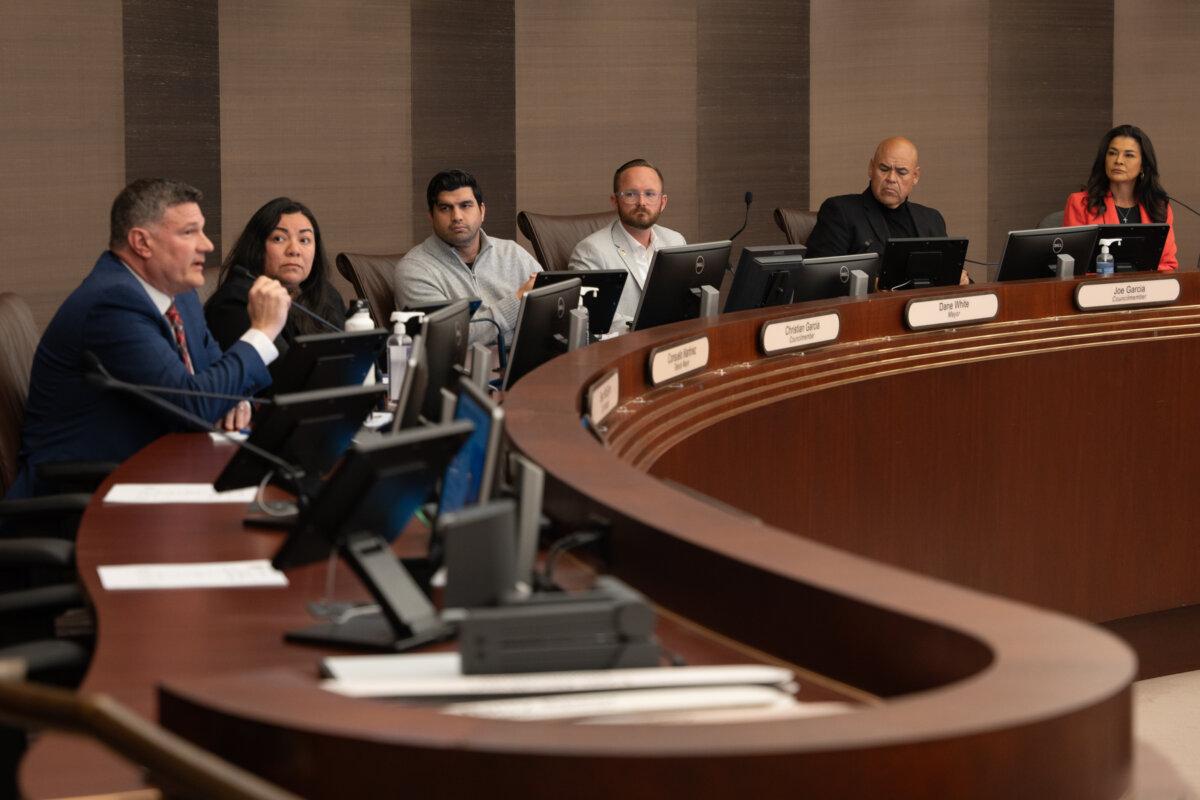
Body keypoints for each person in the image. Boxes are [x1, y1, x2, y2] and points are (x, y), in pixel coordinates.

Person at [8, 178, 290, 498]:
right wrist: (262, 332)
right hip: (84, 491)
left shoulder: (180, 294)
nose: (207, 245)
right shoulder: (112, 304)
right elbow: (192, 406)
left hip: (158, 469)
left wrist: (234, 398)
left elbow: (212, 369)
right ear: (142, 242)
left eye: (202, 230)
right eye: (189, 232)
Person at [395, 170, 540, 346]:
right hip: (468, 364)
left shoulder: (512, 253)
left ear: (482, 211)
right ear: (431, 217)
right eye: (445, 208)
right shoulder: (414, 270)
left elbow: (554, 310)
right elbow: (450, 339)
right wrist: (518, 301)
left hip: (533, 355)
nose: (457, 217)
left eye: (465, 205)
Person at [806, 136, 967, 285]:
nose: (891, 178)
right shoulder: (840, 211)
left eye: (901, 172)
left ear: (915, 176)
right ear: (871, 168)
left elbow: (950, 274)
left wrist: (957, 278)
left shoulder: (931, 219)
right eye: (884, 169)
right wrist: (871, 284)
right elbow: (819, 278)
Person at [206, 197, 345, 355]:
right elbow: (283, 368)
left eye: (304, 240)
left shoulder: (326, 295)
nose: (294, 250)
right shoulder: (236, 302)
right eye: (279, 239)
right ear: (257, 247)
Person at [568, 158, 686, 332]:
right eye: (631, 194)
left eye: (650, 194)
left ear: (663, 202)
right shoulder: (590, 251)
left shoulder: (675, 241)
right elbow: (590, 317)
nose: (642, 202)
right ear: (614, 201)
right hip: (625, 345)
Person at [1062, 124, 1177, 271]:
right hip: (1098, 284)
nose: (1118, 160)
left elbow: (1168, 264)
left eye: (1129, 155)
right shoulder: (1080, 203)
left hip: (1146, 285)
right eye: (1112, 153)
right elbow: (1075, 266)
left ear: (1143, 165)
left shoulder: (1158, 207)